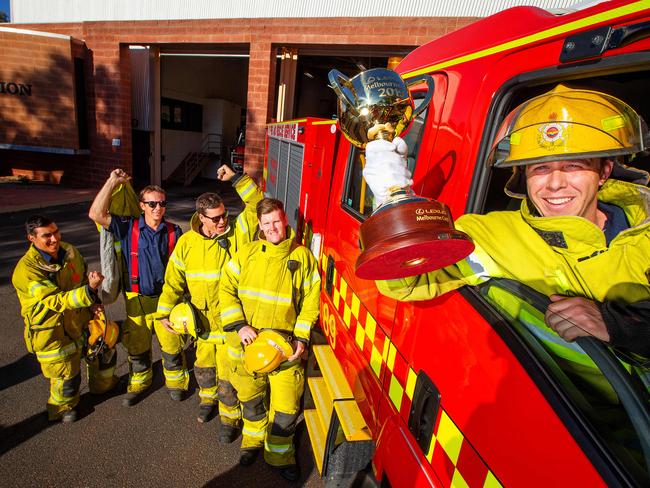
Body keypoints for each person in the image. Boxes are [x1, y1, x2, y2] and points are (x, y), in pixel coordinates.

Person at [375, 84, 650, 360]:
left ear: (604, 171)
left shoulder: (644, 228)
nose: (555, 184)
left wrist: (617, 325)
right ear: (524, 176)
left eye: (573, 166)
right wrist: (391, 198)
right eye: (540, 168)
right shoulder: (493, 235)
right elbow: (405, 282)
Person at [155, 165, 263, 434]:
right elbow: (173, 282)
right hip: (201, 324)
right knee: (203, 369)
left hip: (229, 325)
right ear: (200, 218)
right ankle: (206, 401)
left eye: (224, 215)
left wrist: (237, 179)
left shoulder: (237, 234)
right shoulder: (187, 244)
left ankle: (229, 419)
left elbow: (257, 205)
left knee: (229, 377)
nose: (222, 222)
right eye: (214, 219)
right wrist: (164, 313)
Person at [219, 198, 321, 482]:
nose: (272, 227)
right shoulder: (246, 254)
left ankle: (279, 456)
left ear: (284, 220)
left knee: (286, 410)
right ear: (260, 227)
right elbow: (225, 289)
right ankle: (251, 443)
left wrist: (301, 337)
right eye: (266, 223)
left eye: (276, 221)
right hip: (249, 347)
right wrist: (239, 326)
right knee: (251, 402)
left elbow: (311, 302)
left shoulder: (302, 257)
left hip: (286, 351)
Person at [89, 170, 182, 406]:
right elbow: (96, 213)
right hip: (136, 299)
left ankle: (176, 382)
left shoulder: (174, 232)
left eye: (162, 203)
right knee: (138, 346)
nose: (157, 208)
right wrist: (112, 182)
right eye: (151, 203)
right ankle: (140, 381)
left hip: (165, 301)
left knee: (171, 346)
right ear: (142, 205)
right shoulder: (127, 227)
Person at [12, 215, 118, 422]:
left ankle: (104, 386)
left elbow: (82, 278)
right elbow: (55, 300)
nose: (54, 239)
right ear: (31, 239)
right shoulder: (26, 271)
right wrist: (89, 290)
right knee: (65, 375)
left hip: (79, 320)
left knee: (104, 349)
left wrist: (94, 301)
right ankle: (64, 407)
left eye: (56, 232)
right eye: (47, 236)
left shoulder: (69, 251)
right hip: (52, 332)